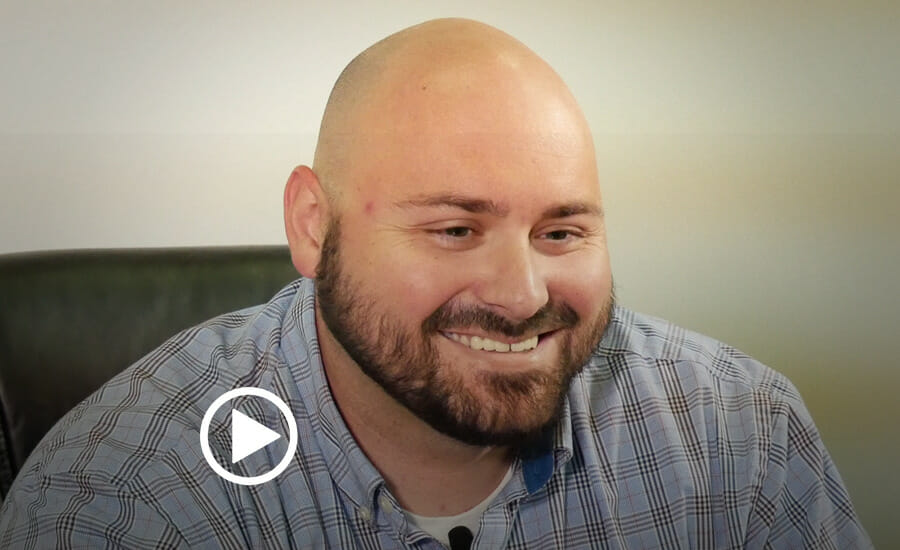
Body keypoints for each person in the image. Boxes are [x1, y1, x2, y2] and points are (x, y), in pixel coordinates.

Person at [0, 17, 871, 550]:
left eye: (561, 230)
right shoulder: (127, 497)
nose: (523, 293)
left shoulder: (738, 440)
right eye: (455, 229)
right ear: (312, 225)